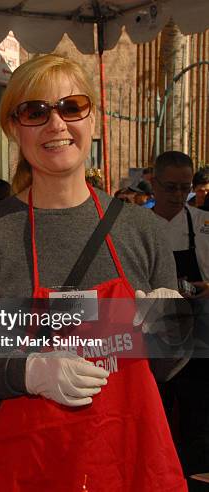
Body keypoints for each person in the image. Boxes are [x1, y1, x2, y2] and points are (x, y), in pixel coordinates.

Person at [0, 54, 186, 491]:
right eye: (36, 112)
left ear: (92, 118)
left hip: (120, 460)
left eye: (71, 107)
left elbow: (165, 368)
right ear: (14, 129)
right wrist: (30, 371)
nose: (56, 125)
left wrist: (174, 329)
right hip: (5, 466)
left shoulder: (142, 231)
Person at [151, 150, 209, 489]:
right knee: (157, 412)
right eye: (170, 187)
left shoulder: (203, 223)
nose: (177, 196)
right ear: (153, 184)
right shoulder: (137, 226)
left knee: (197, 419)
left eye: (184, 189)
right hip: (154, 329)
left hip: (199, 330)